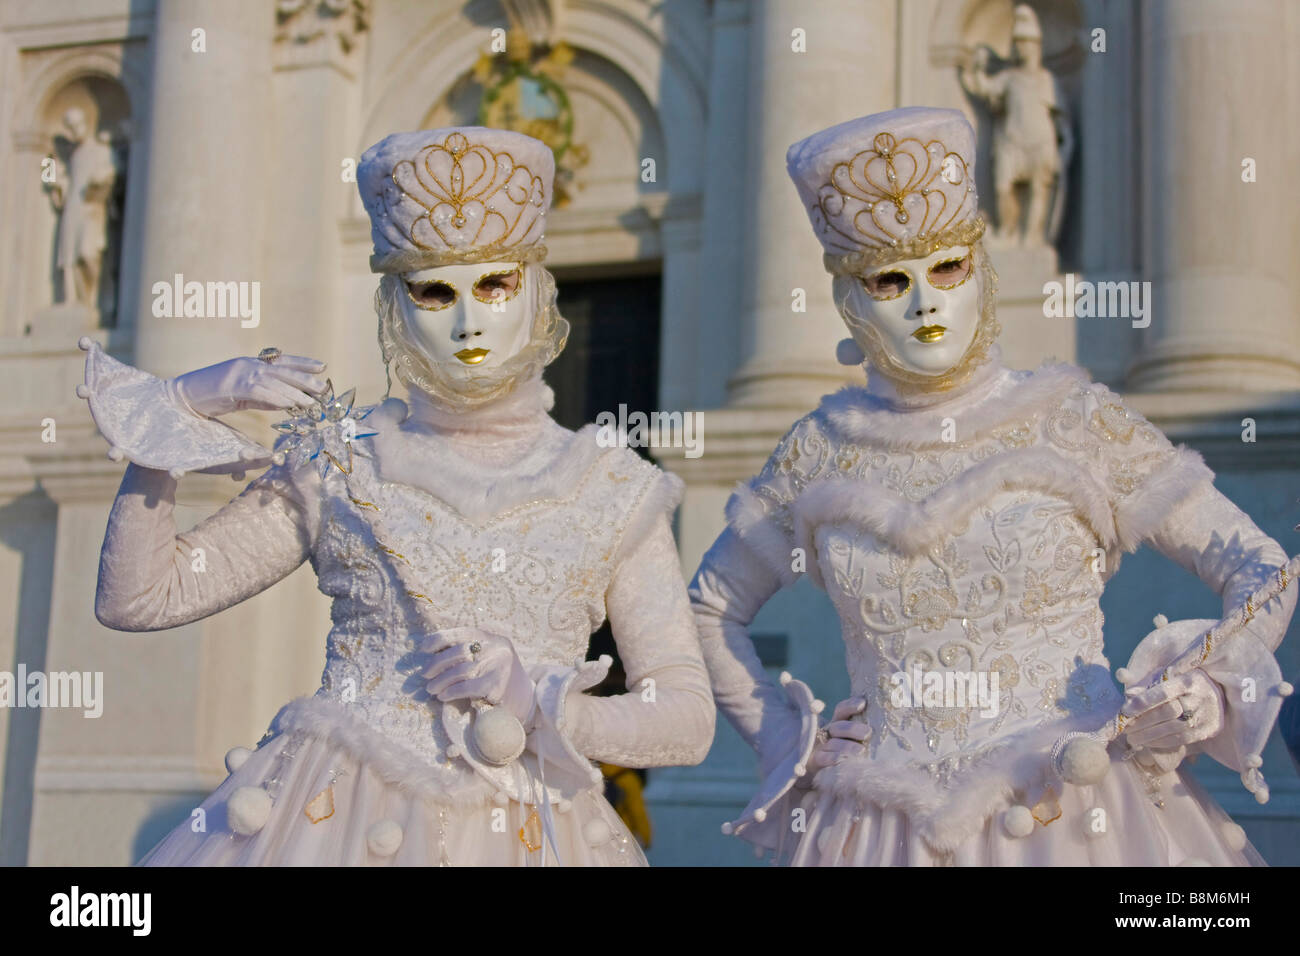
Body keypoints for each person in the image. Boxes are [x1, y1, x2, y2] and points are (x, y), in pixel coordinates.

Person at [81, 126, 713, 866]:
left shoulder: (610, 487)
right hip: (335, 823)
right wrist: (179, 412)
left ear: (535, 291)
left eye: (495, 284)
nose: (469, 321)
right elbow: (138, 598)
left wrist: (542, 703)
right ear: (398, 304)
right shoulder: (337, 460)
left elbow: (686, 721)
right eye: (435, 291)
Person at [689, 106, 1297, 866]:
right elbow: (710, 608)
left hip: (1076, 814)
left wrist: (1204, 686)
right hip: (881, 827)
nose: (924, 302)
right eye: (890, 279)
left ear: (981, 267)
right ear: (853, 298)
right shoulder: (821, 452)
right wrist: (789, 740)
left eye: (947, 267)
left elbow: (1260, 568)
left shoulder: (1071, 418)